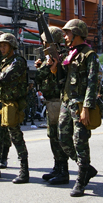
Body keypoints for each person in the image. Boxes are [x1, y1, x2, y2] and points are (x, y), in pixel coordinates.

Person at [51, 19, 100, 197]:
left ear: (77, 33)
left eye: (67, 33)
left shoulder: (89, 54)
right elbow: (63, 78)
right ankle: (86, 168)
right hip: (67, 101)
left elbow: (93, 82)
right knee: (63, 138)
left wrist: (87, 107)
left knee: (80, 142)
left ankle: (81, 180)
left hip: (80, 104)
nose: (65, 37)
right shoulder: (70, 54)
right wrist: (55, 69)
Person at [0, 33, 30, 184]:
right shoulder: (1, 62)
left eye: (4, 45)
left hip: (11, 103)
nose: (2, 48)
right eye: (0, 46)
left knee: (15, 136)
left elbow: (4, 77)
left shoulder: (18, 61)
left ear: (12, 46)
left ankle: (24, 169)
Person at [35, 26, 70, 185]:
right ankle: (57, 167)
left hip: (58, 101)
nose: (43, 44)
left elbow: (42, 76)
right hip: (51, 101)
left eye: (45, 42)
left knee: (58, 137)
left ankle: (63, 170)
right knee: (52, 136)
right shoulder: (49, 58)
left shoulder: (63, 57)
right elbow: (40, 77)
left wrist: (47, 67)